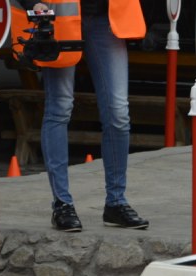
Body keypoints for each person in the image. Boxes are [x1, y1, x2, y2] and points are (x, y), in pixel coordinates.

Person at [23, 0, 150, 232]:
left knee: (118, 113)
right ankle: (62, 204)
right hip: (60, 19)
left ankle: (116, 202)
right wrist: (33, 4)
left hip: (107, 19)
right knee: (60, 108)